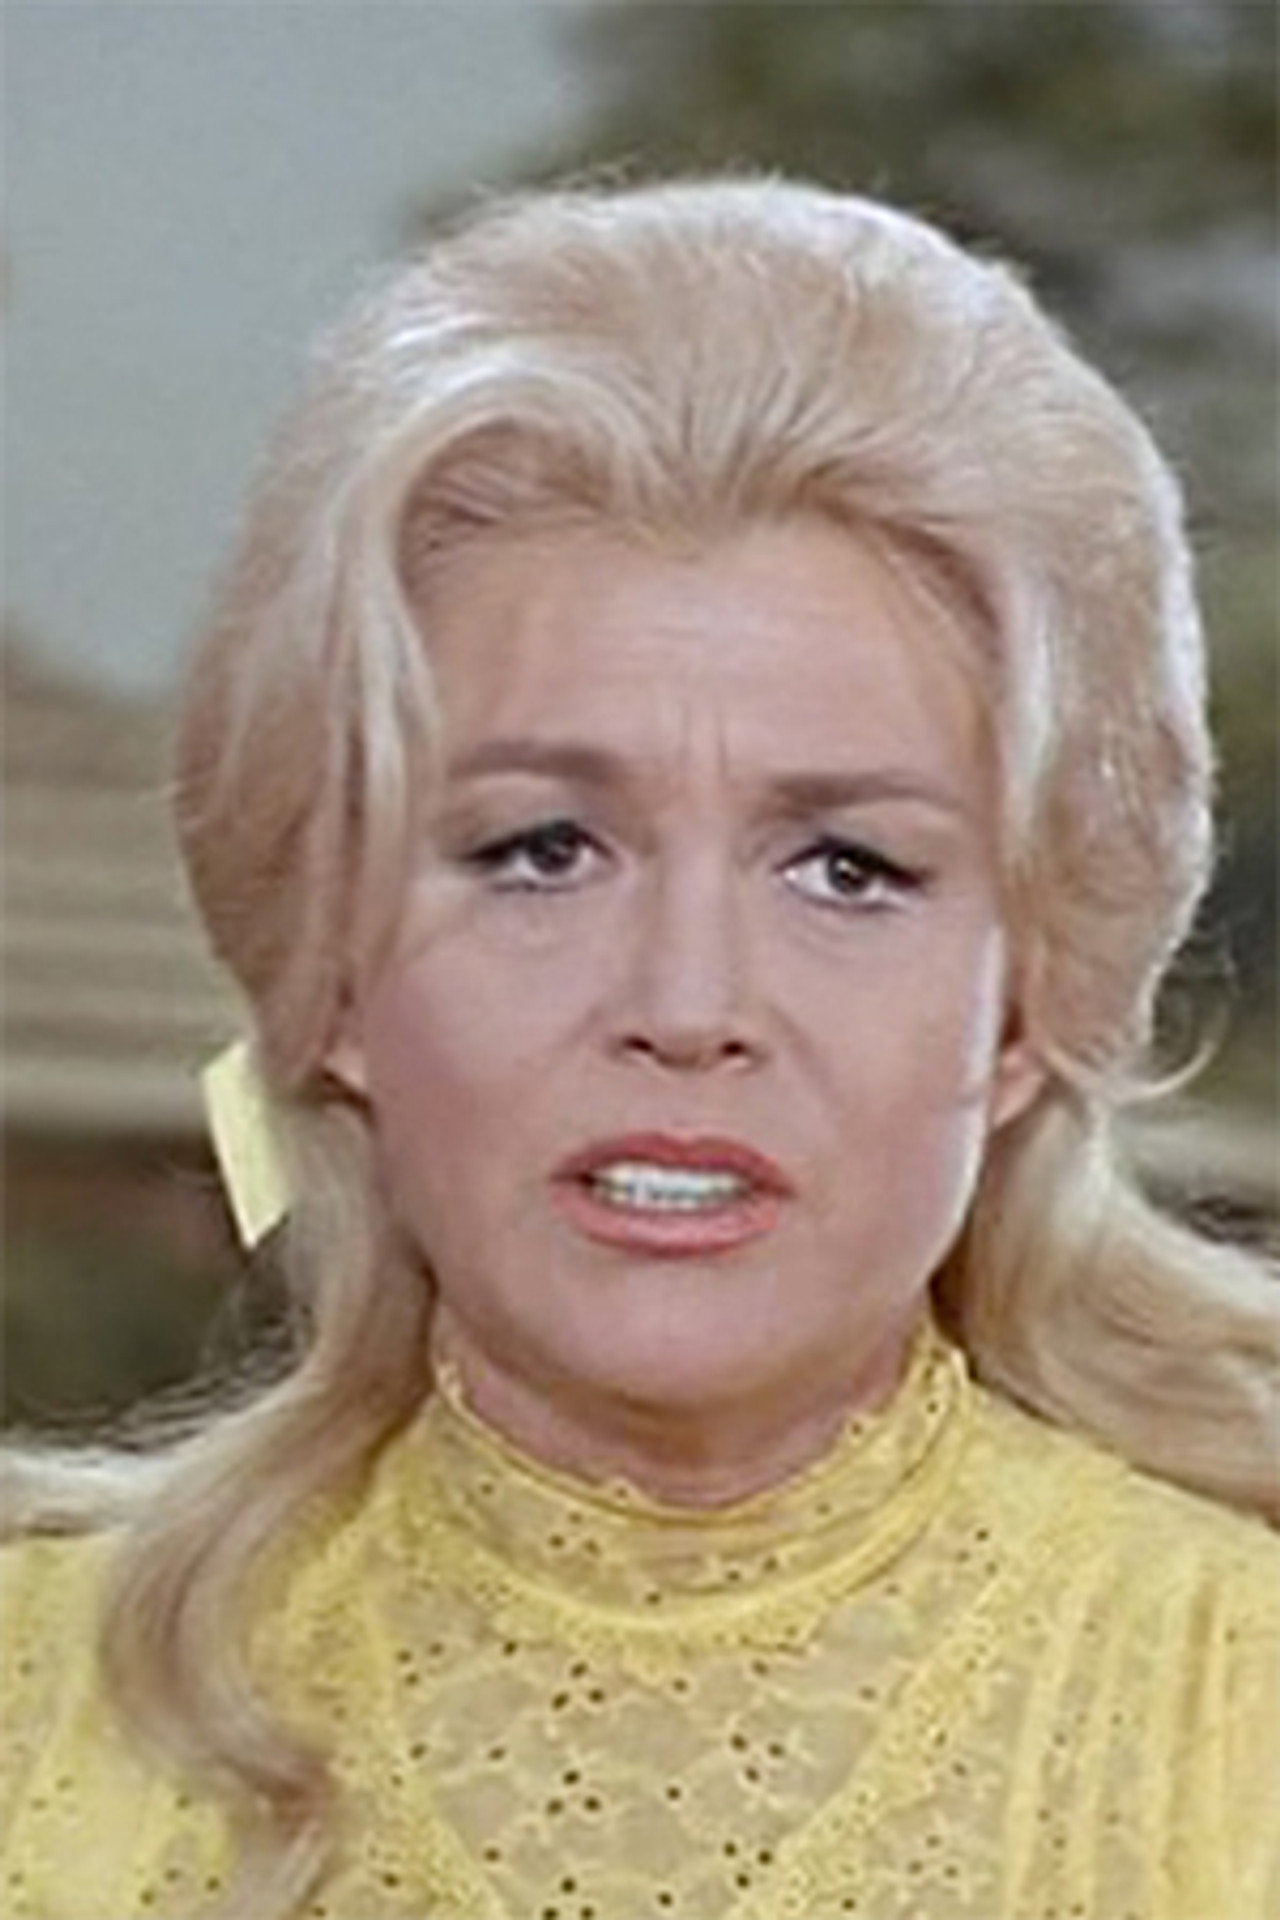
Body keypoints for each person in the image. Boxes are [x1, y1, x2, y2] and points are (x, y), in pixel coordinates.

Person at [1, 174, 1277, 1920]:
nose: (686, 1002)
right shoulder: (40, 1709)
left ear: (1025, 1006)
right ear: (336, 973)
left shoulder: (1234, 1706)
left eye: (848, 869)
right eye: (543, 851)